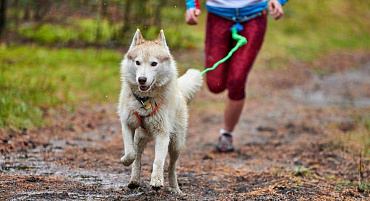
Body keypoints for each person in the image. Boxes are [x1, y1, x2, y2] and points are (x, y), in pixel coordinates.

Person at [185, 0, 287, 152]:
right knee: (215, 85)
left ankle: (226, 133)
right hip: (218, 15)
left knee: (237, 79)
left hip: (254, 15)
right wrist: (192, 6)